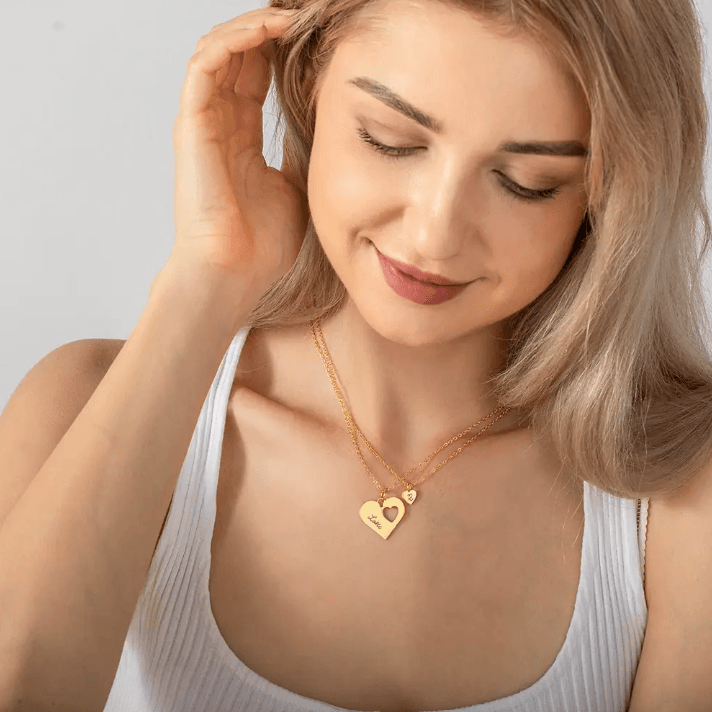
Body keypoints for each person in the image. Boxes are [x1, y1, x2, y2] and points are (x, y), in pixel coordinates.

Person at [0, 0, 711, 709]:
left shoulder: (682, 481)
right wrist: (203, 284)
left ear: (610, 195)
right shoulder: (83, 405)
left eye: (526, 182)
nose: (435, 236)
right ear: (306, 87)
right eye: (391, 140)